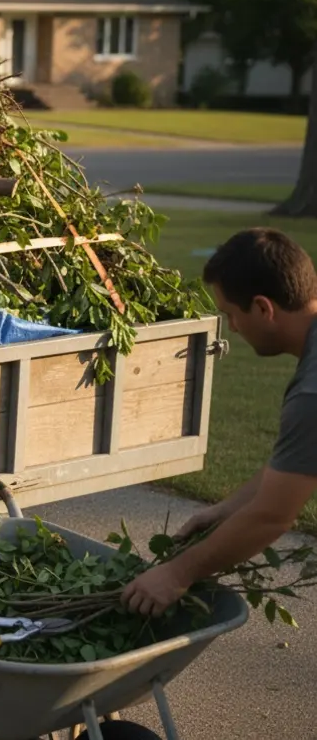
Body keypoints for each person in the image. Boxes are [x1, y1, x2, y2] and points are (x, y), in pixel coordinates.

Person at [122, 227, 317, 617]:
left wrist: (176, 574)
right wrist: (224, 509)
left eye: (231, 314)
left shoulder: (312, 394)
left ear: (263, 308)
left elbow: (272, 515)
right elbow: (297, 464)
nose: (232, 328)